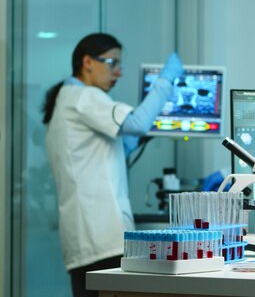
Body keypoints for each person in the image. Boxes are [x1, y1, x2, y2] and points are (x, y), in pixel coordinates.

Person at [42, 33, 183, 297]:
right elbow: (137, 123)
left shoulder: (68, 99)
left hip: (89, 238)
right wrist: (165, 81)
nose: (118, 73)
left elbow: (118, 146)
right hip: (101, 238)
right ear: (87, 62)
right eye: (112, 63)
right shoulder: (83, 97)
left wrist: (147, 131)